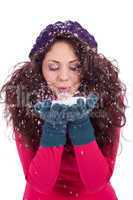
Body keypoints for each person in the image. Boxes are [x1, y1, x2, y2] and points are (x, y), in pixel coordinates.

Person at [0, 20, 127, 200]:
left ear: (89, 68)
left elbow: (96, 182)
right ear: (39, 67)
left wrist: (81, 123)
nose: (64, 77)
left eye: (75, 67)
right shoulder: (25, 100)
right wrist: (54, 126)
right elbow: (40, 183)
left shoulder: (108, 98)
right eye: (53, 67)